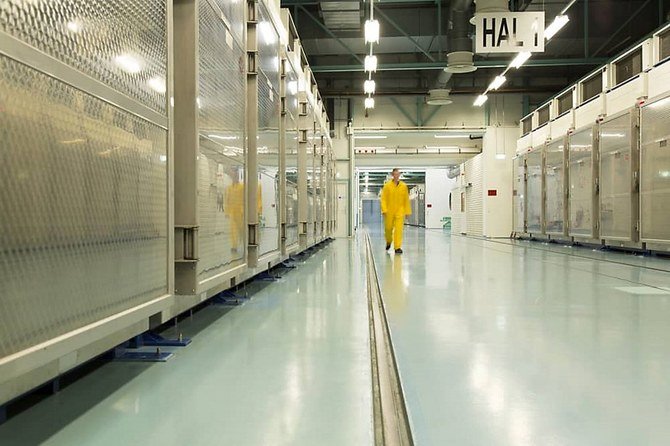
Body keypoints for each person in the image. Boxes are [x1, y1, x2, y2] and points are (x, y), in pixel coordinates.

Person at [380, 168, 411, 254]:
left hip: (400, 211)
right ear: (392, 175)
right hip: (389, 211)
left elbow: (406, 200)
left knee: (399, 230)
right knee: (388, 229)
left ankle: (397, 247)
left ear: (399, 175)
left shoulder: (404, 186)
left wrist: (407, 211)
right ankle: (388, 241)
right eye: (395, 174)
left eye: (398, 174)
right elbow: (383, 199)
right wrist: (384, 209)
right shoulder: (387, 186)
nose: (396, 176)